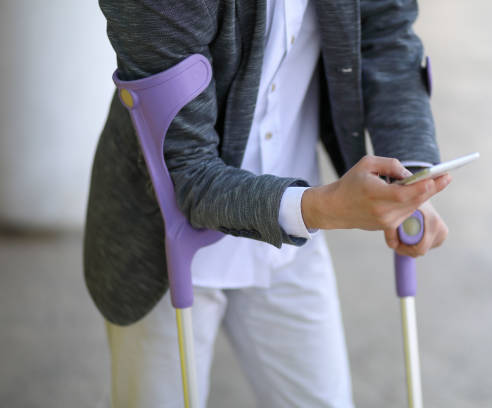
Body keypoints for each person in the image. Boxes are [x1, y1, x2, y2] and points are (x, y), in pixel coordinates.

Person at [84, 0, 451, 406]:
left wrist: (410, 173)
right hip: (163, 248)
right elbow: (186, 174)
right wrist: (324, 208)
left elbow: (385, 30)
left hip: (291, 240)